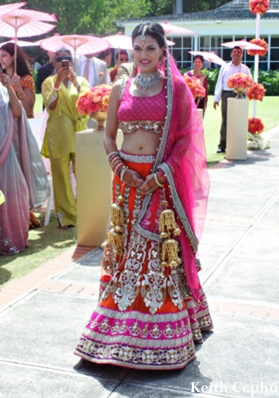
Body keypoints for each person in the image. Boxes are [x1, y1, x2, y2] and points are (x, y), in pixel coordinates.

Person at [74, 22, 211, 370]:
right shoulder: (121, 87)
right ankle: (116, 325)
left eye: (151, 47)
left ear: (163, 50)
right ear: (130, 51)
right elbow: (108, 136)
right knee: (123, 250)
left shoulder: (175, 88)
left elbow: (184, 139)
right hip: (126, 181)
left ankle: (162, 330)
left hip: (159, 181)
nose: (144, 54)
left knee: (157, 252)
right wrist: (120, 168)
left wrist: (159, 175)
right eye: (138, 48)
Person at [0, 59, 50, 254]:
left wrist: (9, 87)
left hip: (5, 150)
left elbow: (17, 111)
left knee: (17, 192)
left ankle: (12, 238)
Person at [41, 49, 89, 228]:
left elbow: (88, 104)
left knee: (83, 175)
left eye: (67, 58)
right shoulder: (48, 82)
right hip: (58, 133)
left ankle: (86, 212)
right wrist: (58, 84)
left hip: (78, 132)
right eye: (60, 59)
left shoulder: (82, 81)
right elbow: (50, 105)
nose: (64, 62)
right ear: (54, 63)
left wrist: (75, 83)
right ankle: (67, 218)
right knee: (61, 177)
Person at [213, 46, 251, 153]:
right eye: (234, 52)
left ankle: (239, 143)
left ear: (242, 55)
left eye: (239, 52)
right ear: (231, 54)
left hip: (241, 96)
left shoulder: (245, 69)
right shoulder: (225, 67)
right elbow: (219, 83)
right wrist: (216, 99)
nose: (236, 53)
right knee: (225, 120)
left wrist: (248, 95)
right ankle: (222, 145)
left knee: (240, 120)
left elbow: (249, 83)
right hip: (227, 95)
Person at [0, 43, 36, 118]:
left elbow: (28, 111)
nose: (0, 59)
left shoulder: (26, 79)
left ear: (14, 56)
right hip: (3, 123)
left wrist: (19, 87)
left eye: (3, 56)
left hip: (21, 123)